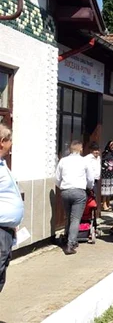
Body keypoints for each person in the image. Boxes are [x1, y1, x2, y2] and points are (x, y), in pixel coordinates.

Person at [56, 140, 95, 255]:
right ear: (81, 149)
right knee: (75, 219)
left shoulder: (63, 161)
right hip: (79, 191)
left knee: (68, 216)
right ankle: (71, 243)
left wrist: (62, 187)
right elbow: (90, 179)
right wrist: (89, 187)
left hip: (65, 191)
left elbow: (57, 178)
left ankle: (67, 237)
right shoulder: (84, 161)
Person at [0, 125, 20, 292]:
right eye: (10, 140)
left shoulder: (2, 164)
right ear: (2, 142)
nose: (12, 144)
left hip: (6, 228)